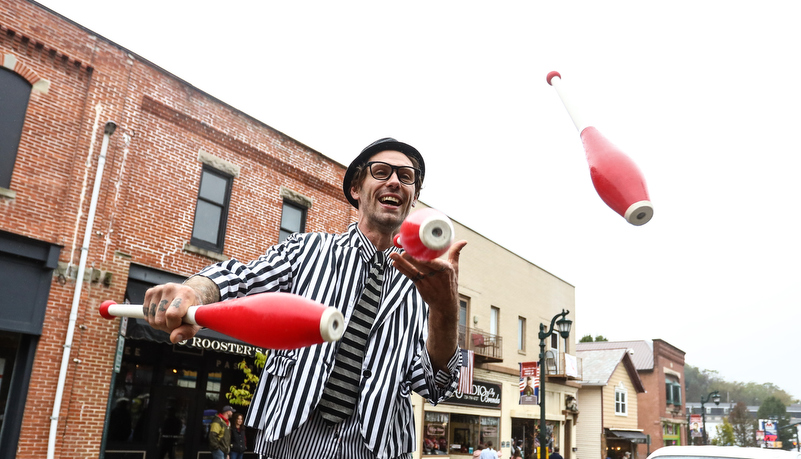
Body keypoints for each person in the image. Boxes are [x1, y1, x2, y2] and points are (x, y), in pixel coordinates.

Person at [143, 138, 467, 459]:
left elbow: (434, 384)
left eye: (406, 177)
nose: (395, 181)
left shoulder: (428, 282)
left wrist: (446, 310)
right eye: (381, 171)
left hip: (377, 449)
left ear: (413, 199)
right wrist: (196, 291)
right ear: (356, 189)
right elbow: (243, 279)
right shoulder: (305, 250)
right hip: (292, 441)